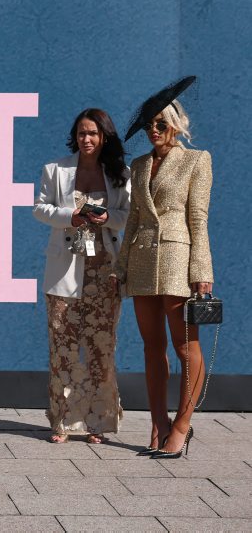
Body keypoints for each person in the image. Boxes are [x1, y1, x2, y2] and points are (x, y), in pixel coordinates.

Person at [112, 76, 213, 459]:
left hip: (177, 260)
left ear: (174, 123)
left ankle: (182, 426)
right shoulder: (138, 165)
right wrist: (120, 268)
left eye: (160, 123)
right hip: (141, 260)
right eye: (149, 125)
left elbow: (198, 218)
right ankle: (158, 423)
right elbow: (134, 220)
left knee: (186, 346)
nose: (154, 130)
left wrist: (201, 270)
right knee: (152, 346)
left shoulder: (196, 160)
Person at [33, 108, 130, 444]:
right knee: (63, 345)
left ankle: (98, 423)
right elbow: (40, 208)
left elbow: (128, 216)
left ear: (104, 137)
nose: (86, 139)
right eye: (81, 133)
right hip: (64, 268)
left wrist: (107, 218)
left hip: (105, 270)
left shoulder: (119, 174)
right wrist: (70, 216)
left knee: (101, 347)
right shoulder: (55, 169)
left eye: (92, 133)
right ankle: (63, 422)